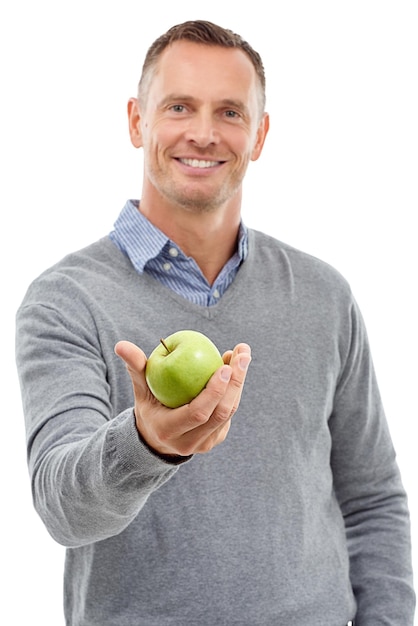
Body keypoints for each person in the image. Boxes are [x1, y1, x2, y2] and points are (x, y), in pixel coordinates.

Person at [15, 19, 415, 626]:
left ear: (259, 134)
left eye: (230, 112)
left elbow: (371, 500)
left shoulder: (323, 294)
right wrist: (146, 443)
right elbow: (62, 509)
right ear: (136, 121)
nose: (203, 133)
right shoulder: (65, 300)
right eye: (179, 106)